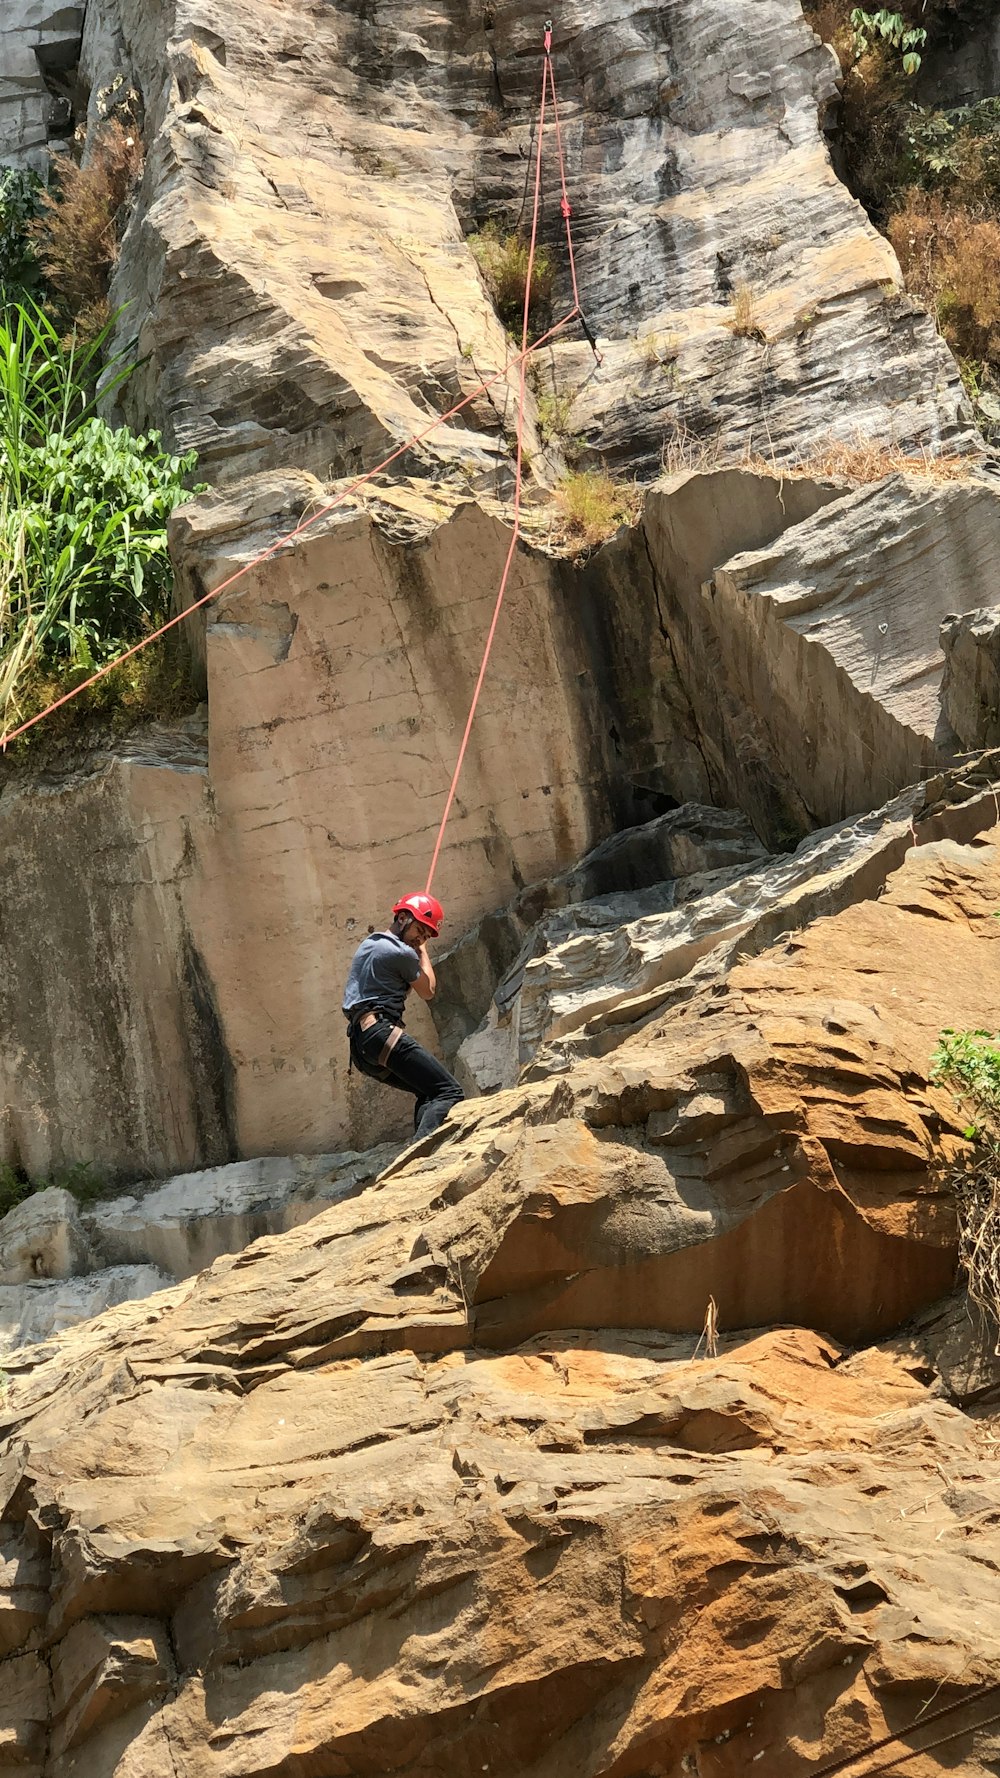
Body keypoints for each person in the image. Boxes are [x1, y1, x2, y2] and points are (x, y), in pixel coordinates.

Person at [343, 893, 465, 1142]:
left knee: (429, 1092)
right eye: (420, 930)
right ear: (402, 917)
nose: (420, 938)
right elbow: (428, 990)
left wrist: (418, 940)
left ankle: (418, 1148)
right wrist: (422, 950)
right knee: (449, 1091)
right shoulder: (402, 952)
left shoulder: (370, 943)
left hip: (362, 1046)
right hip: (380, 1033)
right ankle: (422, 1151)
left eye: (425, 935)